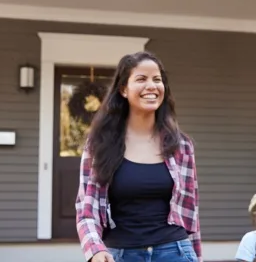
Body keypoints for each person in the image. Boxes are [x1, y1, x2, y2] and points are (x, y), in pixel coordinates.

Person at [76, 51, 202, 262]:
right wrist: (95, 249)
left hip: (176, 252)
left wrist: (197, 257)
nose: (152, 86)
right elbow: (86, 207)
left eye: (157, 79)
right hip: (122, 254)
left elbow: (191, 213)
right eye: (141, 79)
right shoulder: (99, 144)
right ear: (124, 89)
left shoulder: (181, 146)